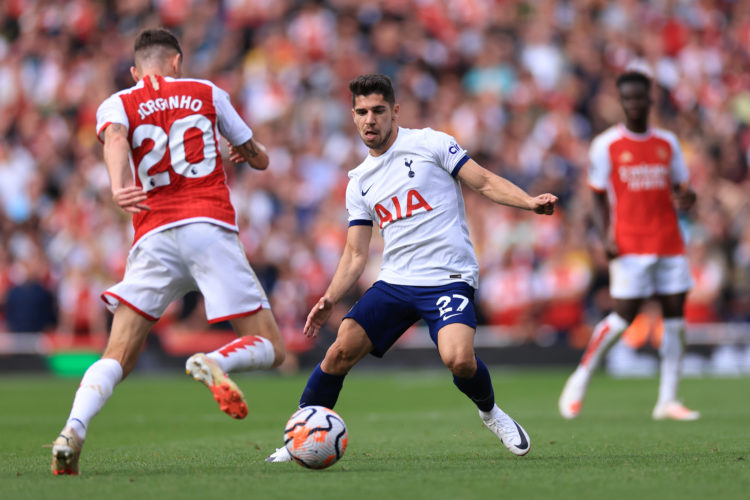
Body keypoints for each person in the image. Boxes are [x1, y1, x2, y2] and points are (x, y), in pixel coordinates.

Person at [266, 74, 557, 462]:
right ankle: (297, 438)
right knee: (339, 352)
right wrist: (330, 298)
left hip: (448, 278)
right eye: (362, 112)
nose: (370, 119)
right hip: (396, 282)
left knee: (459, 359)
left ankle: (491, 413)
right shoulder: (359, 182)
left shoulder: (430, 143)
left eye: (378, 111)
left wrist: (529, 202)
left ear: (395, 111)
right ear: (352, 116)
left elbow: (483, 181)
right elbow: (355, 253)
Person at [50, 28, 286, 475]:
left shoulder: (118, 102)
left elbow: (116, 139)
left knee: (116, 354)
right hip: (208, 226)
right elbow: (259, 157)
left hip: (154, 234)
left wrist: (120, 186)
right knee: (272, 347)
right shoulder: (207, 92)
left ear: (136, 71)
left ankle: (72, 430)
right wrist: (247, 151)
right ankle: (215, 360)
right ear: (177, 62)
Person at [558, 70, 699, 421]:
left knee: (676, 319)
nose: (635, 104)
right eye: (629, 98)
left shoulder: (667, 143)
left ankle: (668, 398)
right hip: (630, 242)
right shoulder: (607, 145)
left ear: (651, 100)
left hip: (668, 240)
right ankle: (580, 377)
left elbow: (684, 190)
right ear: (622, 102)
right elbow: (597, 196)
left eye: (641, 98)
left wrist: (688, 199)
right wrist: (605, 234)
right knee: (624, 315)